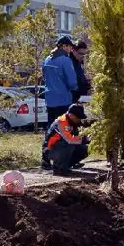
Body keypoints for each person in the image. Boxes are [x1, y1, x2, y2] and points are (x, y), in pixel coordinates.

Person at [41, 35, 78, 169]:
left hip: (50, 100)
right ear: (63, 46)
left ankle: (45, 159)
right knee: (65, 130)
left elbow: (44, 77)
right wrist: (75, 89)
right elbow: (72, 81)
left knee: (51, 130)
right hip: (63, 100)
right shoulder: (65, 60)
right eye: (69, 47)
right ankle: (64, 161)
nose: (70, 50)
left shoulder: (47, 59)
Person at [44, 104, 90, 176]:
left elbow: (75, 137)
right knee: (69, 145)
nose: (79, 120)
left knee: (84, 149)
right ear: (71, 115)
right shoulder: (61, 122)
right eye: (78, 118)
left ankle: (66, 166)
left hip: (60, 148)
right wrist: (84, 139)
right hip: (50, 149)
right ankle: (58, 168)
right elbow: (69, 139)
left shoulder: (72, 122)